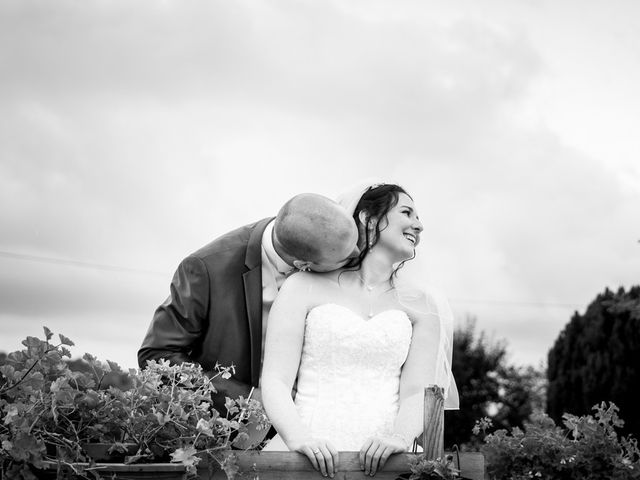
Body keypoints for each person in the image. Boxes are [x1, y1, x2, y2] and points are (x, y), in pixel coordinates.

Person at [260, 183, 459, 477]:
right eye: (407, 212)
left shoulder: (424, 306)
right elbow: (276, 379)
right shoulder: (301, 286)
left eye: (418, 217)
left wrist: (400, 438)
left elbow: (418, 391)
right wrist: (298, 439)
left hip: (386, 463)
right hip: (308, 456)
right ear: (368, 217)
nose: (419, 225)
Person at [137, 193, 360, 419]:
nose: (358, 255)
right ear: (302, 264)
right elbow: (157, 355)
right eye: (345, 259)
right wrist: (249, 398)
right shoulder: (206, 268)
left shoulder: (328, 242)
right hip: (229, 432)